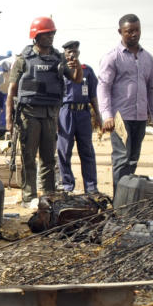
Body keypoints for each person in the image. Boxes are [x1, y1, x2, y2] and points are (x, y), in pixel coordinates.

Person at [5, 16, 82, 205]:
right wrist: (8, 122)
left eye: (52, 33)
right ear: (36, 36)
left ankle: (48, 196)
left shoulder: (59, 58)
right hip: (28, 115)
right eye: (47, 34)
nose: (51, 37)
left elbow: (76, 79)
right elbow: (11, 91)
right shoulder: (24, 60)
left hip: (49, 115)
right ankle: (29, 196)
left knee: (48, 158)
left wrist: (77, 64)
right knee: (29, 158)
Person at [97, 14, 153, 193]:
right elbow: (103, 87)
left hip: (140, 117)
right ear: (120, 32)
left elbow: (152, 89)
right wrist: (107, 115)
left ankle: (127, 198)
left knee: (133, 158)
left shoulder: (148, 58)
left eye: (137, 30)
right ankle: (119, 203)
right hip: (120, 118)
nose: (134, 34)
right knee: (122, 158)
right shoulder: (112, 57)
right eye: (129, 31)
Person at [56, 40, 100, 194]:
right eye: (69, 52)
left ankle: (91, 187)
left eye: (75, 52)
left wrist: (98, 116)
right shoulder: (60, 70)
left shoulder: (87, 70)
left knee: (87, 150)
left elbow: (93, 95)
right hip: (65, 112)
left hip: (83, 113)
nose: (72, 55)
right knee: (64, 150)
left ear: (79, 53)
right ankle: (67, 186)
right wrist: (55, 118)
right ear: (64, 54)